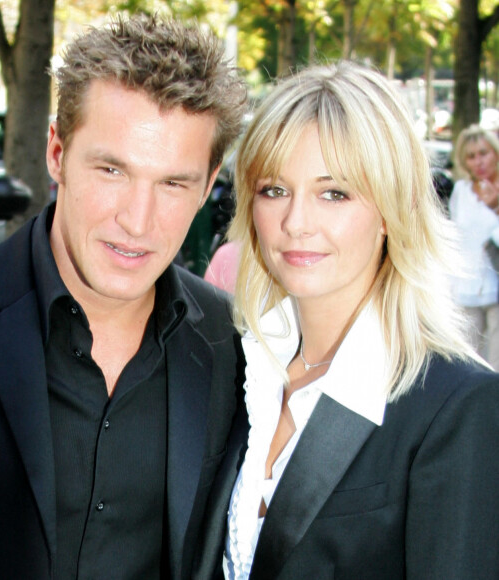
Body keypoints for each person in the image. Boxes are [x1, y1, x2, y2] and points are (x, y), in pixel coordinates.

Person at [0, 14, 248, 579]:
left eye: (173, 182)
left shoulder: (231, 344)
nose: (137, 220)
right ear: (56, 152)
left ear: (208, 182)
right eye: (112, 169)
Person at [195, 62, 499, 579]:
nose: (295, 222)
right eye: (274, 189)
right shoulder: (238, 371)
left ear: (390, 210)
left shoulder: (457, 406)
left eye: (333, 193)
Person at [449, 124, 499, 369]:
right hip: (466, 287)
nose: (478, 161)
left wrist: (495, 206)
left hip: (496, 283)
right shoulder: (462, 190)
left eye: (483, 152)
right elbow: (455, 238)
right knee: (469, 361)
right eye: (471, 156)